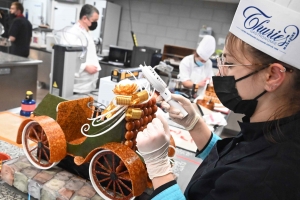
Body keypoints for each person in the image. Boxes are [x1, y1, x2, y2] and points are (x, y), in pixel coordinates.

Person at [136, 0, 300, 199]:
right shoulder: (271, 127)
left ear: (272, 76)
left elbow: (239, 172)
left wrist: (158, 167)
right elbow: (234, 158)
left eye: (230, 64)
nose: (222, 73)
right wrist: (194, 124)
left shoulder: (262, 179)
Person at [61, 4, 101, 94]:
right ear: (84, 18)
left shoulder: (86, 32)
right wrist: (85, 67)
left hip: (87, 85)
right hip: (77, 86)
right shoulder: (72, 33)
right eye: (94, 21)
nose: (95, 24)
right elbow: (69, 56)